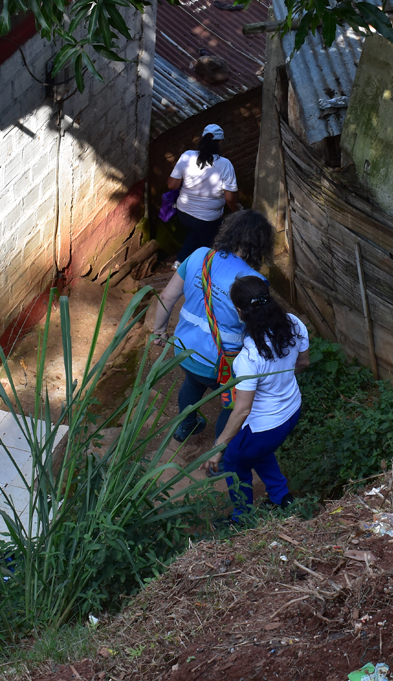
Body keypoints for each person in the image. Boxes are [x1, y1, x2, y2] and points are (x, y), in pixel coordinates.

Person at [147, 209, 275, 443]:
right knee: (231, 403)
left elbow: (166, 298)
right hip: (224, 363)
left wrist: (159, 331)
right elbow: (259, 328)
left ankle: (185, 427)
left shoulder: (200, 256)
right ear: (261, 245)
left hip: (184, 351)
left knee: (192, 385)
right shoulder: (255, 281)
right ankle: (219, 453)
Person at [203, 276, 309, 522]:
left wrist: (218, 450)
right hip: (292, 411)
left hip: (265, 426)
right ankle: (282, 497)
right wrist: (279, 383)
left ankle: (243, 518)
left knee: (234, 460)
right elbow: (303, 362)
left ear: (240, 311)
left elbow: (241, 411)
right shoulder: (293, 324)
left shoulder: (249, 357)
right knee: (257, 450)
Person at [168, 124, 240, 266]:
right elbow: (230, 198)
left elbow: (172, 185)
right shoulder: (225, 164)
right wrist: (238, 213)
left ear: (202, 139)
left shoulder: (187, 156)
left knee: (196, 231)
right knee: (213, 244)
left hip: (183, 213)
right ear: (220, 143)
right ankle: (208, 269)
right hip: (208, 219)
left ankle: (179, 261)